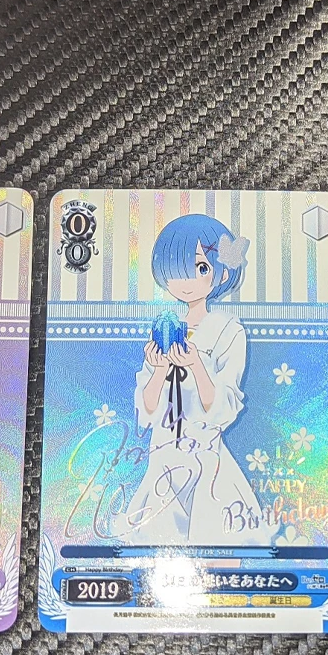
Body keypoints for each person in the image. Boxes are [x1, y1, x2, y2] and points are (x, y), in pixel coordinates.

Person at [120, 214, 277, 544]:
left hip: (206, 456)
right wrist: (159, 369)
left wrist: (197, 365)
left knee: (218, 537)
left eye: (200, 268)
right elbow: (146, 411)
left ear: (221, 272)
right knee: (155, 540)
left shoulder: (227, 330)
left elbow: (223, 407)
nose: (187, 280)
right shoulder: (164, 328)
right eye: (177, 270)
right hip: (162, 455)